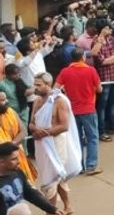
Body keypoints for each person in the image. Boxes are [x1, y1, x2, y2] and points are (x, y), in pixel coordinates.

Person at [30, 72, 81, 213]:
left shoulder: (60, 101)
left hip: (56, 144)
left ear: (48, 84)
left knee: (52, 179)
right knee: (58, 176)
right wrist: (36, 130)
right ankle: (68, 206)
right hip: (41, 145)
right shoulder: (37, 101)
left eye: (38, 85)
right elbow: (31, 123)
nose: (35, 88)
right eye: (35, 84)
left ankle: (50, 211)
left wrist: (44, 132)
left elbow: (64, 126)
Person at [54, 48, 102, 176]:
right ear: (83, 58)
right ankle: (91, 166)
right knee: (92, 137)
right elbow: (99, 89)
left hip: (72, 111)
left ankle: (79, 166)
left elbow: (55, 89)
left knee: (77, 139)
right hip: (88, 109)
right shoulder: (91, 70)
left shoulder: (65, 72)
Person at [0, 141, 61, 215]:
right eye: (13, 159)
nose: (18, 161)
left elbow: (30, 193)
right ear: (2, 161)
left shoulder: (17, 172)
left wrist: (51, 209)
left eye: (18, 158)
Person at [90, 20, 114, 142]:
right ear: (102, 29)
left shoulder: (112, 39)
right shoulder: (95, 41)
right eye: (108, 28)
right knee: (102, 105)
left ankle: (113, 126)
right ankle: (102, 131)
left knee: (113, 102)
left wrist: (111, 58)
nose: (111, 30)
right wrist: (113, 57)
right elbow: (100, 61)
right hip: (104, 77)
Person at [0, 92, 36, 184]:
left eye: (5, 99)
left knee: (25, 185)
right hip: (2, 162)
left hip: (16, 156)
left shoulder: (10, 112)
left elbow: (23, 131)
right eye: (2, 100)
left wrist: (11, 146)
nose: (6, 102)